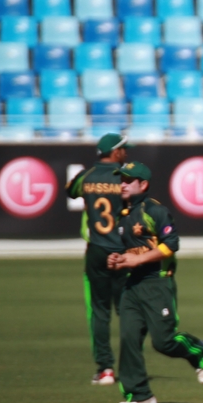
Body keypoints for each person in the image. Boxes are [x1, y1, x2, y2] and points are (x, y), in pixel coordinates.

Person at [107, 162, 203, 403]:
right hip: (133, 285)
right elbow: (132, 250)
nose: (122, 183)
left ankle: (197, 352)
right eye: (120, 178)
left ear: (142, 184)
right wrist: (118, 259)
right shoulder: (122, 214)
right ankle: (140, 395)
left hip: (158, 282)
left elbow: (171, 244)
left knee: (163, 342)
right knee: (129, 338)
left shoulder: (154, 210)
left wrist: (139, 259)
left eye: (128, 180)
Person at [64, 132, 129, 385]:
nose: (127, 154)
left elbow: (70, 190)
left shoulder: (86, 176)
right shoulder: (125, 177)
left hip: (97, 250)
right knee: (128, 310)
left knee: (99, 311)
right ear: (115, 152)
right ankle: (132, 366)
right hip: (124, 251)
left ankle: (105, 370)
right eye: (124, 150)